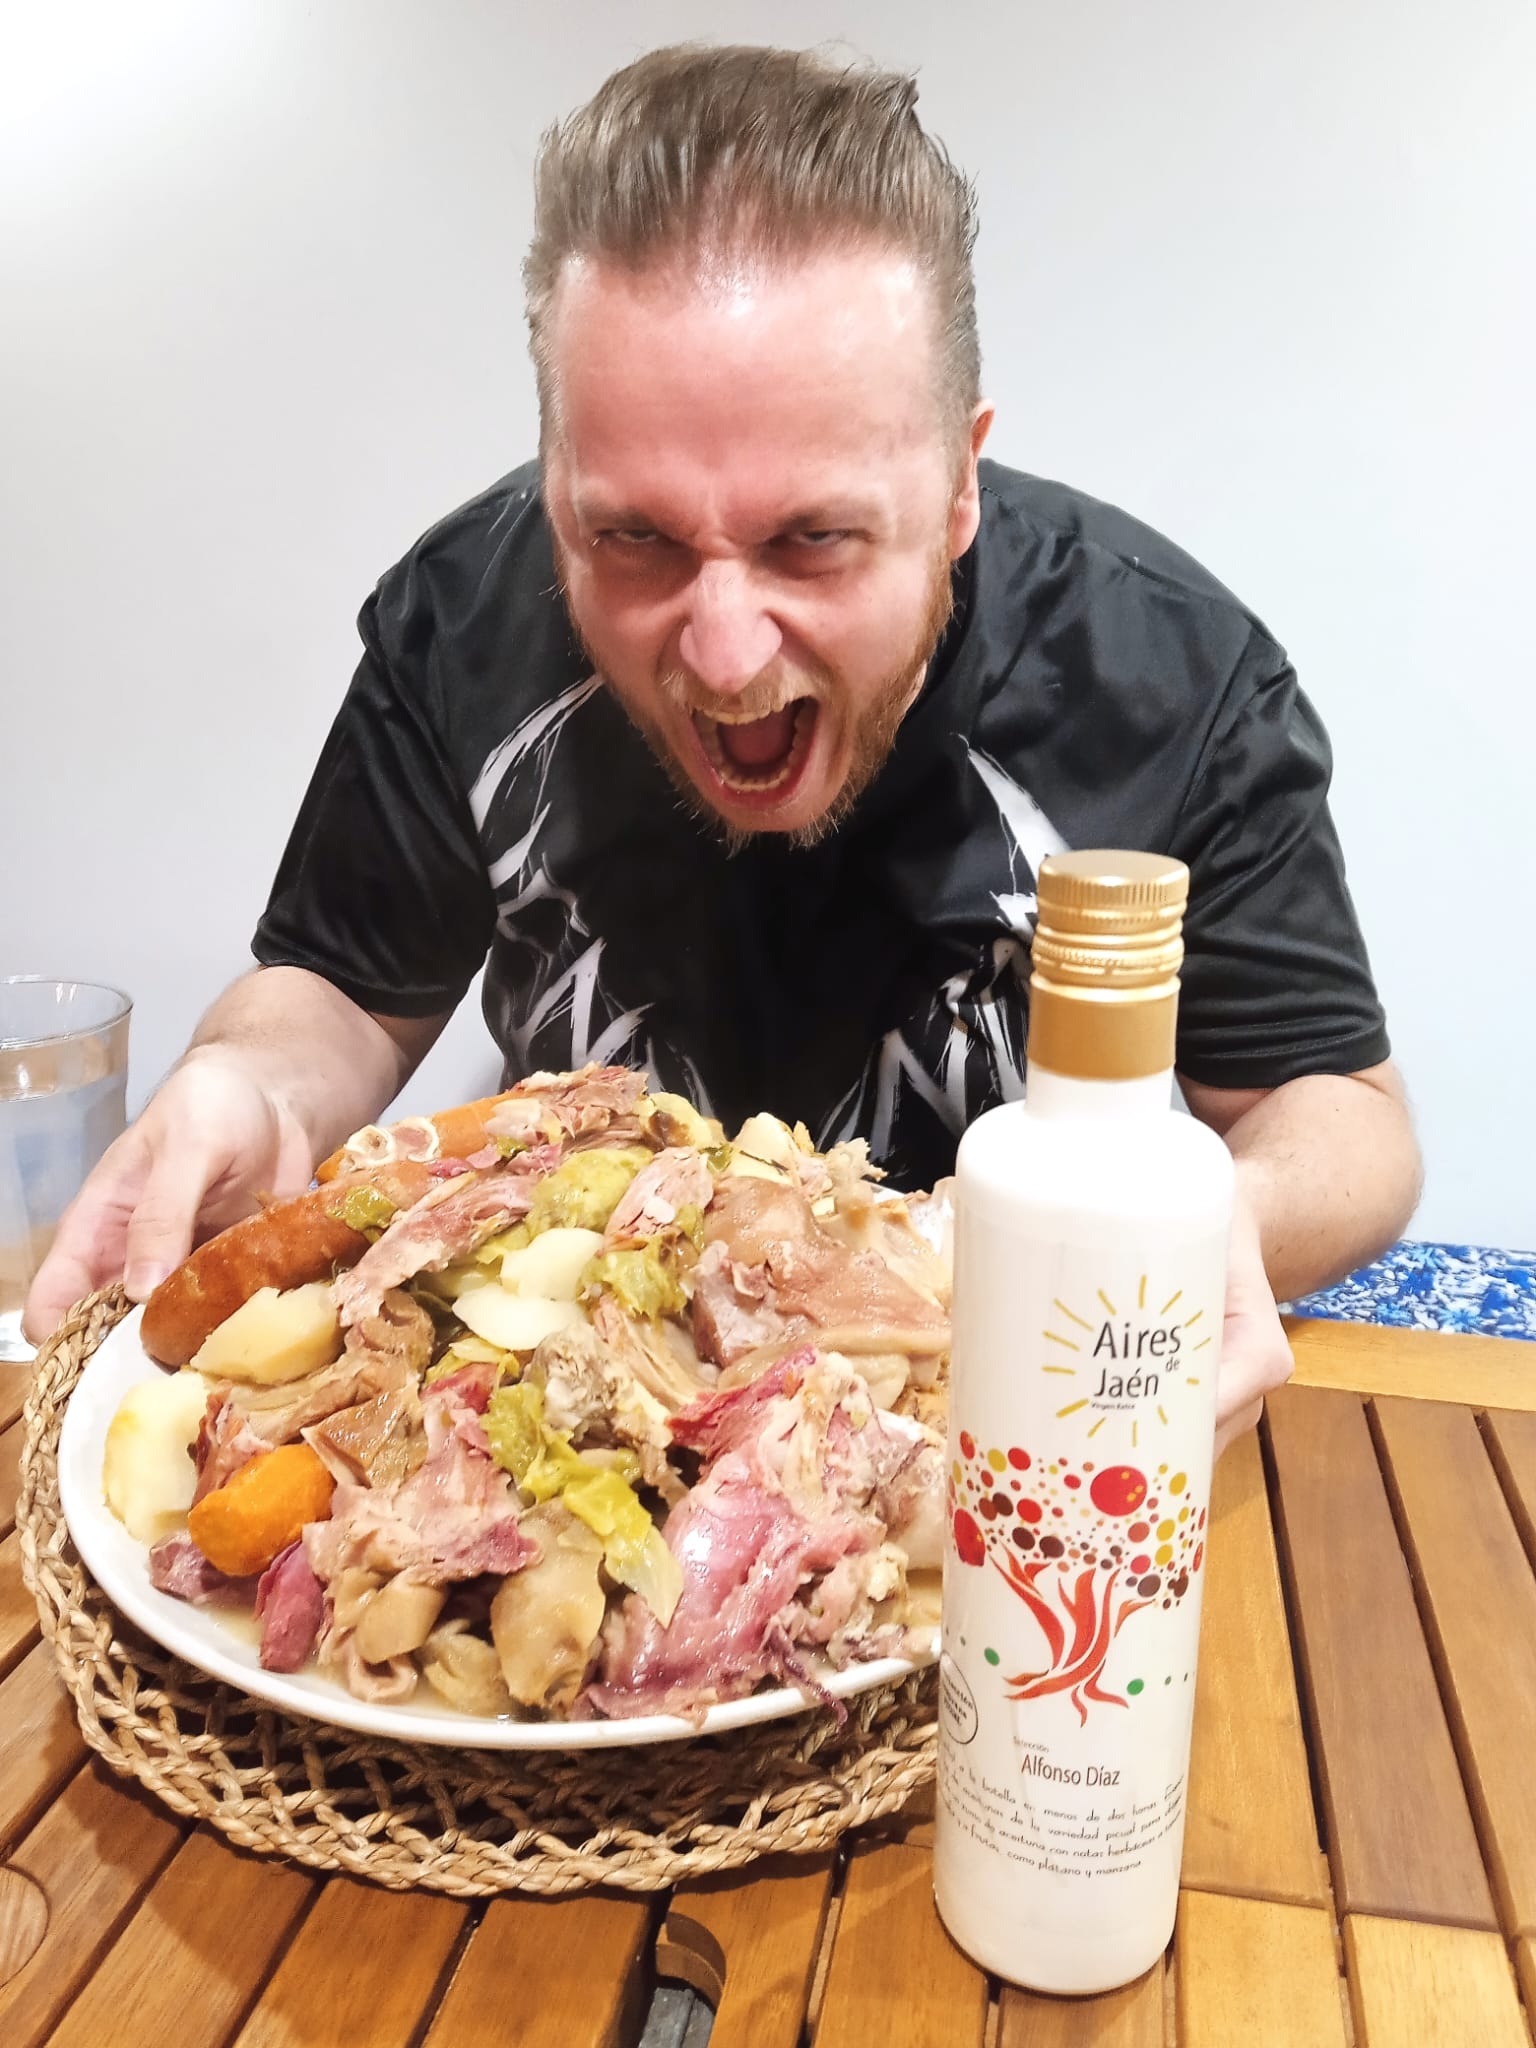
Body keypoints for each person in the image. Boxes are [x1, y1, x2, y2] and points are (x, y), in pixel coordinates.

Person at [26, 44, 1421, 1451]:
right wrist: (249, 1080)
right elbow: (339, 990)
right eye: (631, 537)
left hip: (987, 1418)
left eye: (812, 538)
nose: (726, 657)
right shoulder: (460, 620)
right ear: (557, 486)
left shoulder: (1171, 673)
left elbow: (1340, 1113)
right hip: (564, 1421)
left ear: (956, 488)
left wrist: (1213, 1225)